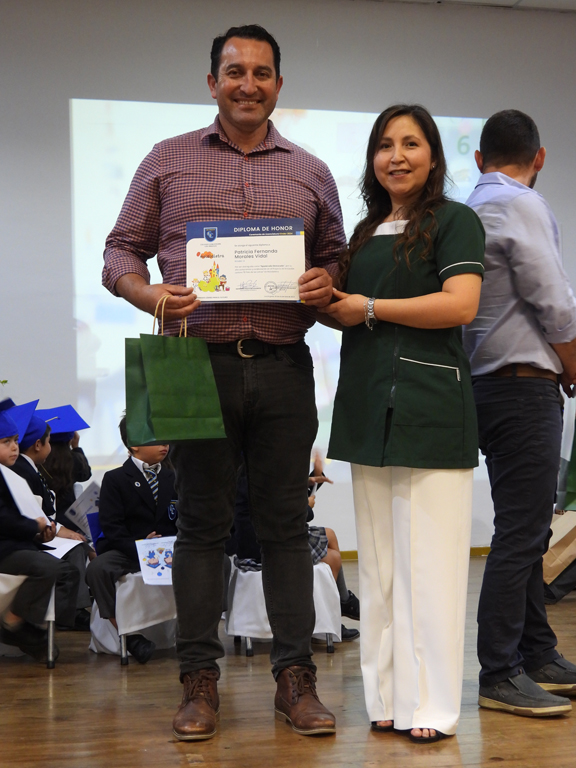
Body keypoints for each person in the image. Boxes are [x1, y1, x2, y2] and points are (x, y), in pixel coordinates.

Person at [102, 24, 345, 740]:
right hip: (192, 362)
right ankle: (198, 682)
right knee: (201, 526)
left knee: (285, 526)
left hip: (281, 362)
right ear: (212, 82)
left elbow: (336, 258)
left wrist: (326, 280)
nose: (248, 84)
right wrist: (149, 294)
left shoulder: (310, 171)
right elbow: (120, 251)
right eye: (235, 71)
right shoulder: (166, 160)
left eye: (262, 73)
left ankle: (294, 680)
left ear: (278, 84)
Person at [323, 104, 485, 743]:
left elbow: (460, 304)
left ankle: (434, 707)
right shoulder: (364, 232)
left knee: (431, 568)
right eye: (385, 145)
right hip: (369, 408)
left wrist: (367, 307)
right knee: (380, 568)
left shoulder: (456, 221)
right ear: (372, 160)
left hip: (430, 408)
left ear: (434, 156)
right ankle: (387, 697)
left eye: (411, 143)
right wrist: (322, 300)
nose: (397, 156)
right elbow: (347, 309)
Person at [463, 109, 576, 717]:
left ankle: (537, 653)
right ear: (540, 157)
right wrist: (574, 363)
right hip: (524, 386)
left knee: (524, 530)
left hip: (484, 386)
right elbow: (554, 302)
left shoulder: (469, 207)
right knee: (522, 533)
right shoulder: (521, 202)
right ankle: (500, 671)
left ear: (479, 158)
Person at [85, 415, 178, 664]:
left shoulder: (173, 477)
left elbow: (182, 517)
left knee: (217, 560)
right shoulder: (115, 479)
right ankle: (128, 635)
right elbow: (112, 526)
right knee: (98, 569)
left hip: (170, 549)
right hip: (131, 550)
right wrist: (140, 546)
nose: (164, 443)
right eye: (155, 438)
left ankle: (198, 629)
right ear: (134, 445)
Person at [0, 401, 79, 660]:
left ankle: (23, 628)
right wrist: (33, 526)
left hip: (16, 544)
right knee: (48, 567)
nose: (14, 447)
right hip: (4, 549)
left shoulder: (10, 474)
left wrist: (38, 533)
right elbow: (4, 519)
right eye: (5, 442)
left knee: (59, 566)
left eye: (15, 440)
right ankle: (13, 622)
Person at [12, 406, 92, 630]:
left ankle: (71, 612)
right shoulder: (22, 470)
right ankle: (68, 614)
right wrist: (55, 529)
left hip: (45, 529)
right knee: (75, 550)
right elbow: (32, 512)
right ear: (38, 444)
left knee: (79, 546)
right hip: (30, 536)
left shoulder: (33, 468)